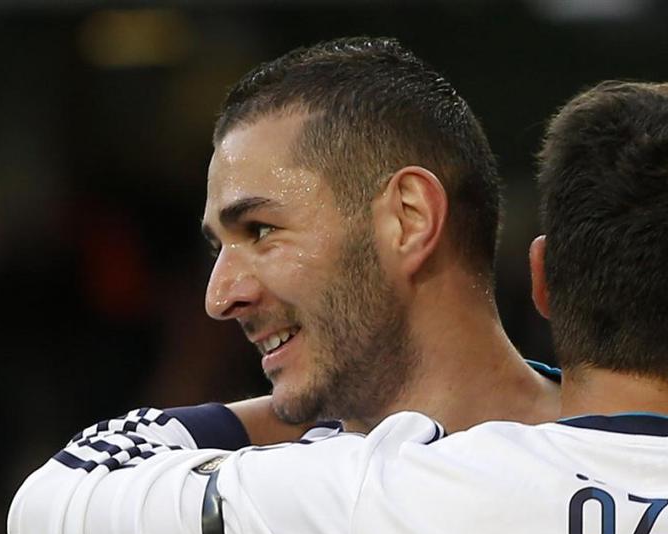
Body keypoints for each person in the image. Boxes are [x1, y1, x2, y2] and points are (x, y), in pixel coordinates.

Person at [10, 76, 668, 534]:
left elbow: (52, 507)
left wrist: (277, 414)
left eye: (259, 229)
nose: (222, 293)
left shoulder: (374, 498)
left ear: (542, 281)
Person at [198, 35, 559, 445]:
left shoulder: (613, 460)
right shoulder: (256, 477)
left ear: (409, 218)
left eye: (261, 230)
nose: (218, 298)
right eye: (218, 248)